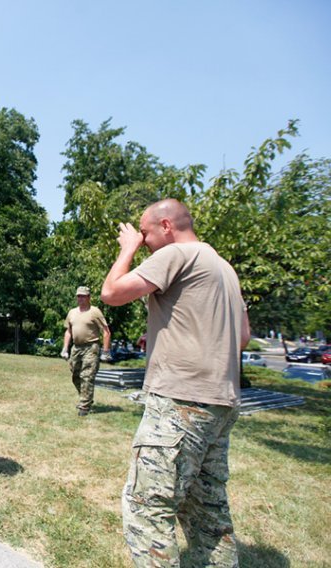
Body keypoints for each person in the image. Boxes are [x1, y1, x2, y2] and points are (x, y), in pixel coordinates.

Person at [100, 199, 250, 567]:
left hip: (182, 404)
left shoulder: (177, 254)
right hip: (221, 401)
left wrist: (128, 249)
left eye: (147, 233)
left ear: (166, 225)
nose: (145, 241)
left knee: (147, 509)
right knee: (207, 514)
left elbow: (112, 293)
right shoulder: (223, 267)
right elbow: (242, 336)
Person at [60, 286, 112, 416]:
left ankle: (84, 406)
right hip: (76, 348)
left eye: (83, 296)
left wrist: (105, 352)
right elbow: (68, 331)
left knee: (87, 376)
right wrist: (65, 348)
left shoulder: (95, 312)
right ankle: (86, 396)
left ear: (89, 297)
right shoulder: (72, 312)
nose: (81, 298)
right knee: (75, 376)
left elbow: (106, 331)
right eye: (79, 296)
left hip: (91, 347)